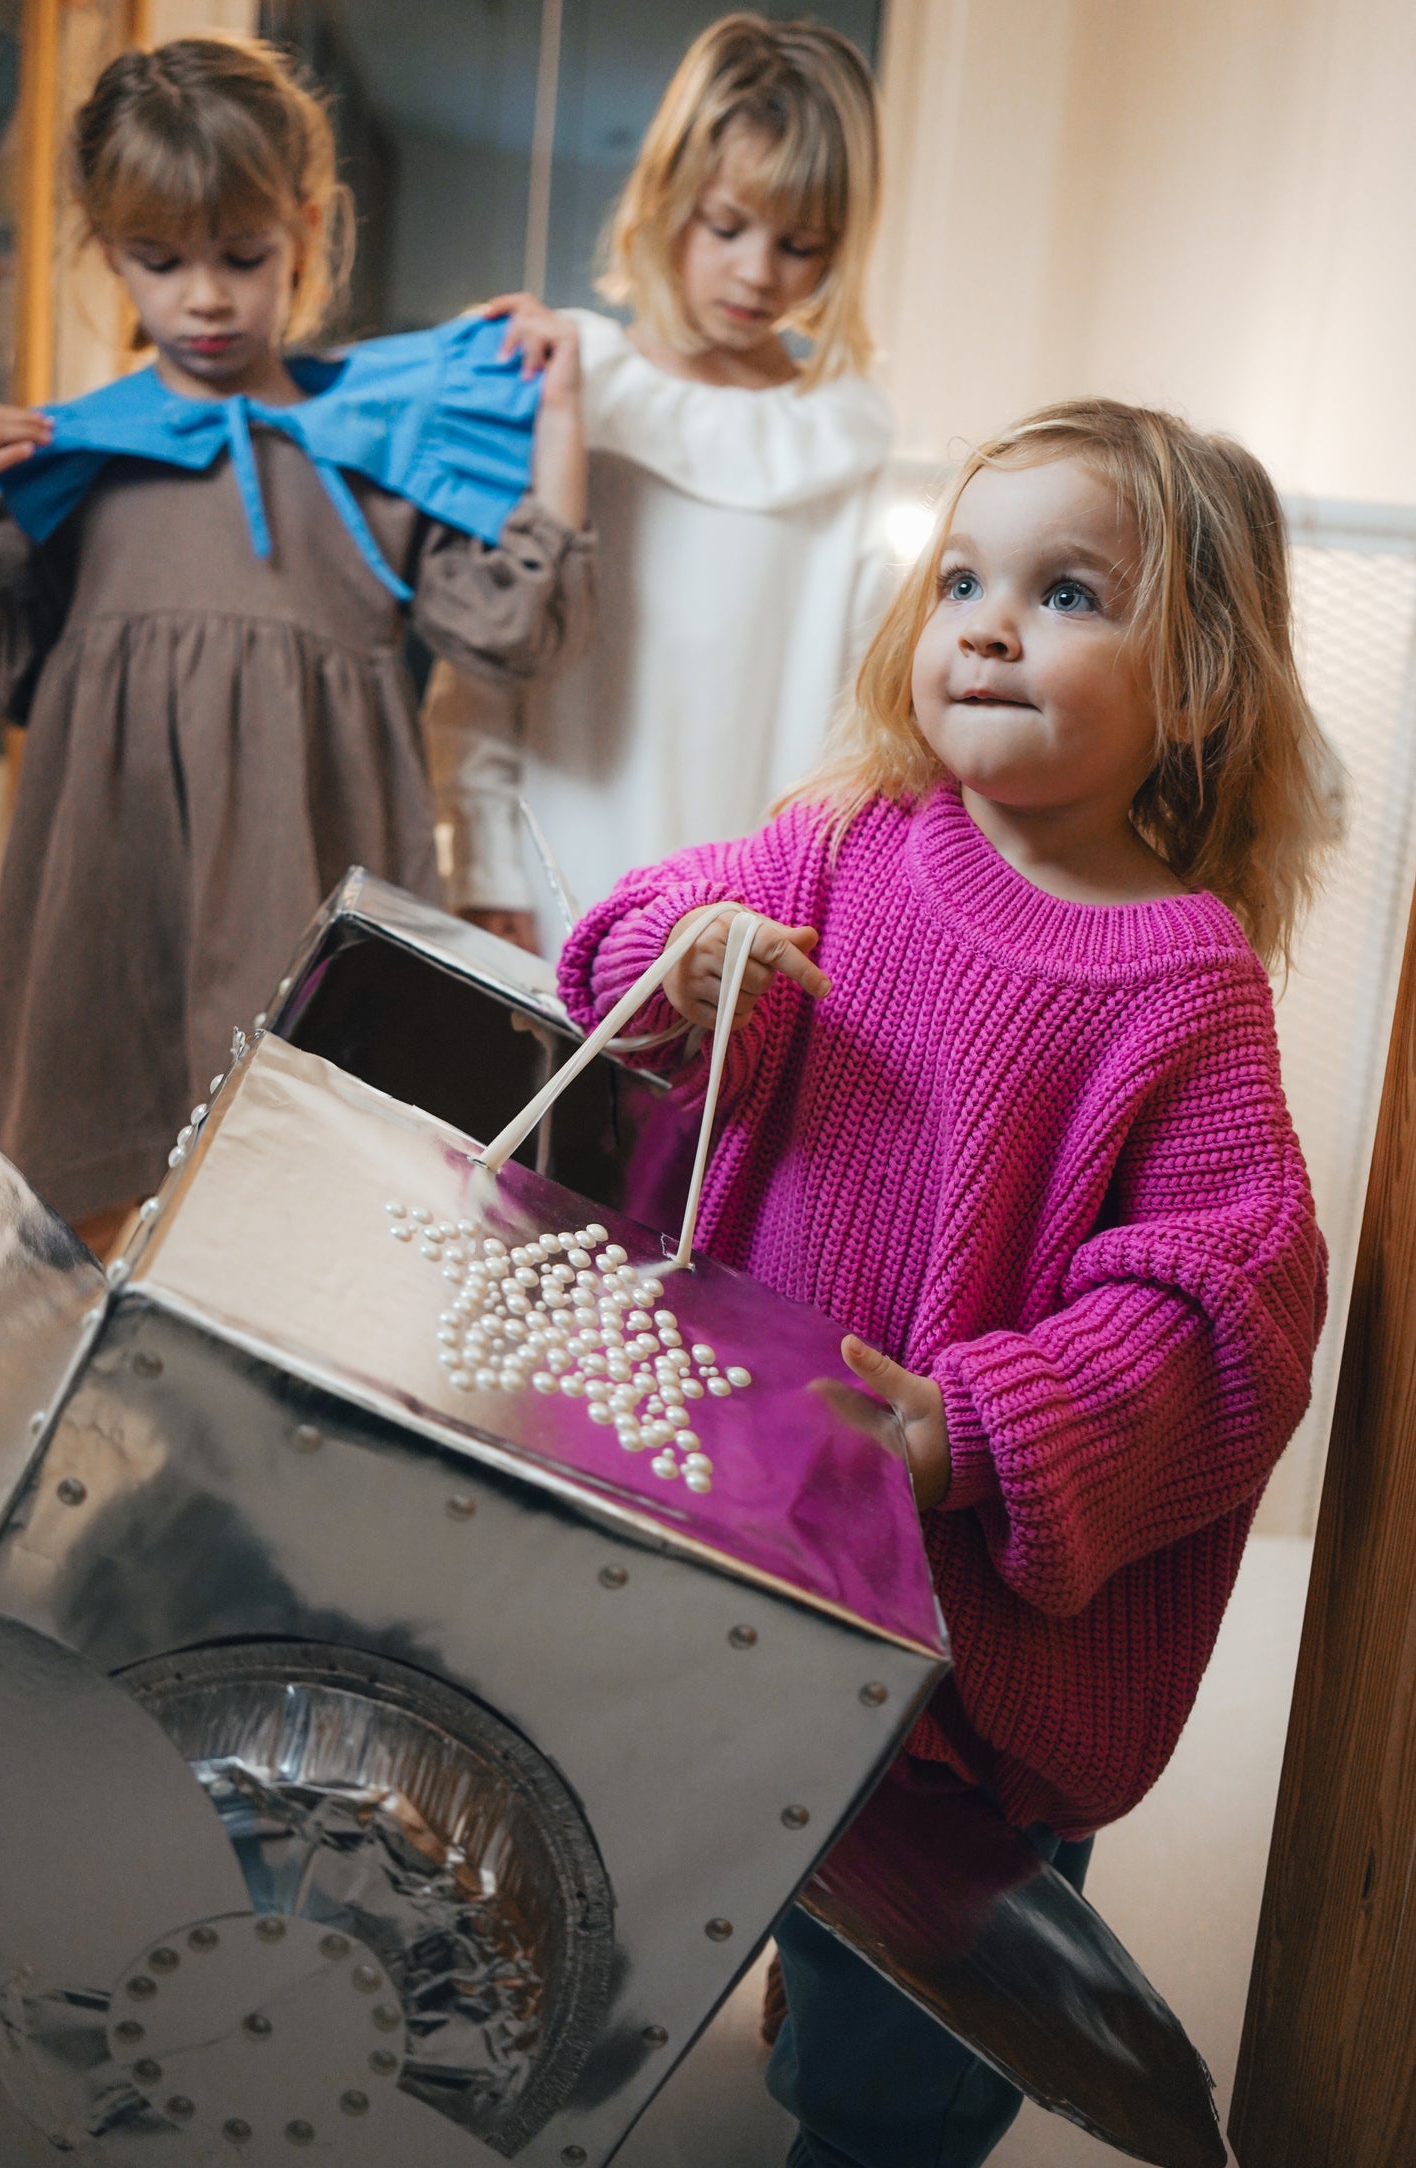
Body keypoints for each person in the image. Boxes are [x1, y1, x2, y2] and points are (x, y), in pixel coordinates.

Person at [557, 398, 1340, 2166]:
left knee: (897, 2036)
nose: (985, 622)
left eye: (1066, 592)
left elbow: (1225, 1307)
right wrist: (676, 964)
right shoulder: (850, 837)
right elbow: (633, 932)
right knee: (638, 1860)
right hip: (730, 1511)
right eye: (964, 578)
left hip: (938, 1629)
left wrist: (982, 1422)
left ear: (1197, 679)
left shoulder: (1183, 985)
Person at [0, 34, 590, 1255]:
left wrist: (560, 417)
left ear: (306, 231)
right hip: (105, 918)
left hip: (310, 918)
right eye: (159, 260)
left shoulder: (376, 444)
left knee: (307, 1248)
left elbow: (514, 627)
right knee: (86, 1244)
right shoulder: (68, 464)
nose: (204, 296)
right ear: (107, 254)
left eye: (242, 256)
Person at [426, 11, 892, 953]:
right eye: (726, 226)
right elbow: (483, 670)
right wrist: (484, 868)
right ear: (670, 195)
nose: (756, 273)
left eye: (800, 245)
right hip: (550, 901)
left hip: (751, 929)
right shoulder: (569, 388)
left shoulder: (845, 444)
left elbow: (859, 733)